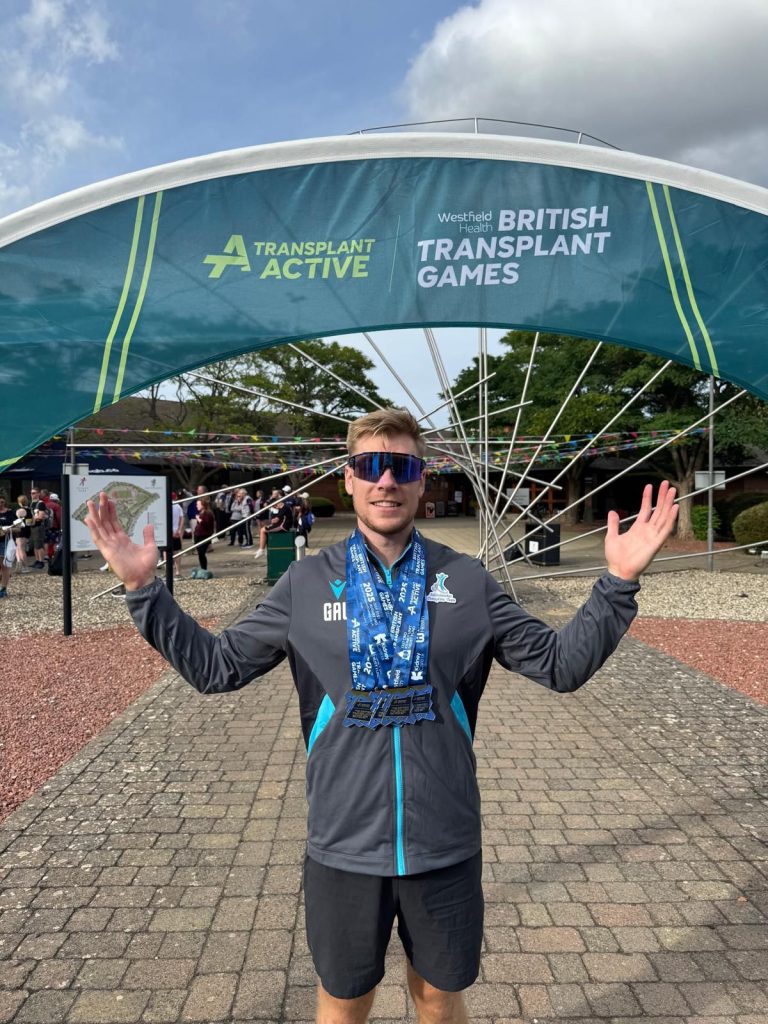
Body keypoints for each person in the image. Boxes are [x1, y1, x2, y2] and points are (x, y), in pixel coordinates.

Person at [84, 408, 678, 1024]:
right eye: (371, 466)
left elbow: (561, 664)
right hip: (344, 845)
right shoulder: (305, 583)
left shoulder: (467, 581)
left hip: (443, 843)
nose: (385, 481)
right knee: (344, 1000)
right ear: (349, 479)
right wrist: (144, 592)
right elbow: (216, 667)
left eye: (402, 466)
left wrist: (618, 581)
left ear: (422, 481)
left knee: (439, 994)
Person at [254, 488, 293, 558]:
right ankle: (264, 548)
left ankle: (261, 550)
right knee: (266, 530)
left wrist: (271, 521)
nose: (275, 507)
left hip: (283, 526)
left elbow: (275, 520)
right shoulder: (281, 506)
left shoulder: (284, 507)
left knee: (262, 530)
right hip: (281, 524)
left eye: (275, 506)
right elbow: (266, 506)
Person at [192, 497, 215, 575]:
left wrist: (199, 520)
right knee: (200, 553)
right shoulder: (201, 513)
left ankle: (204, 568)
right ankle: (202, 568)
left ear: (203, 505)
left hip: (204, 536)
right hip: (198, 535)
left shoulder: (208, 513)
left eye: (198, 504)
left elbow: (206, 525)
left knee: (202, 552)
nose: (197, 506)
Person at [28, 487, 50, 568]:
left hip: (39, 526)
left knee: (39, 545)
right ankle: (37, 560)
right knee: (35, 545)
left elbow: (41, 516)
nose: (32, 495)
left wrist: (31, 519)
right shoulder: (31, 503)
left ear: (38, 494)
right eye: (31, 493)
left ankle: (41, 562)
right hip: (33, 526)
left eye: (34, 493)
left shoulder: (41, 503)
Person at [0, 496, 15, 598]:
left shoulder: (10, 513)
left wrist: (7, 531)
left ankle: (3, 589)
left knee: (4, 566)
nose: (0, 504)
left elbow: (19, 528)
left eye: (2, 502)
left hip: (4, 542)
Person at [13, 495, 32, 574]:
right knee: (18, 548)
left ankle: (25, 567)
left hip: (20, 531)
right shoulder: (29, 510)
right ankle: (19, 564)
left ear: (19, 502)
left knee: (20, 548)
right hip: (27, 530)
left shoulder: (19, 511)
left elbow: (17, 522)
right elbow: (32, 522)